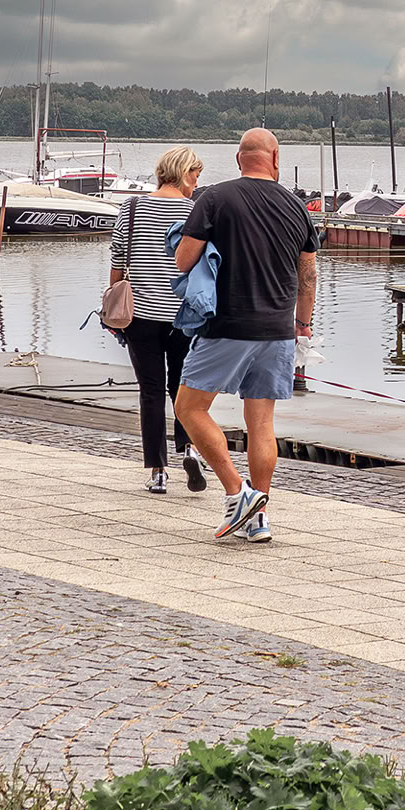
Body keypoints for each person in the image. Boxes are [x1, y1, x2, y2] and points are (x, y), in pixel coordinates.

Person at [174, 127, 317, 543]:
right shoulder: (297, 208)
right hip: (279, 330)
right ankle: (258, 519)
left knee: (189, 408)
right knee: (261, 423)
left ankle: (237, 493)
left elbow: (183, 260)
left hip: (229, 325)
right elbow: (308, 276)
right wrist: (302, 324)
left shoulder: (215, 198)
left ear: (239, 159)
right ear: (276, 159)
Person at [109, 145, 209, 496]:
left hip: (140, 316)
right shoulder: (195, 211)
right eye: (195, 175)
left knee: (151, 391)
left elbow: (118, 259)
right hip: (184, 316)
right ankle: (190, 449)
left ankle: (158, 472)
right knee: (183, 388)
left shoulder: (131, 207)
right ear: (183, 172)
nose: (196, 183)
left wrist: (113, 306)